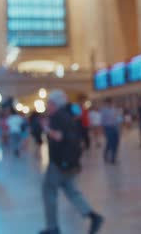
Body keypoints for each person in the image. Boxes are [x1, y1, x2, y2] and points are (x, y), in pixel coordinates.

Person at [40, 89, 104, 234]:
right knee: (71, 191)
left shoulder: (57, 117)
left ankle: (53, 228)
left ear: (54, 103)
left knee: (49, 191)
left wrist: (46, 128)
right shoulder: (69, 115)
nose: (47, 105)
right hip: (71, 161)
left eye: (49, 103)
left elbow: (58, 136)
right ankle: (93, 216)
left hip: (59, 162)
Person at [100, 98, 121, 164]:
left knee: (116, 142)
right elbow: (102, 121)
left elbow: (118, 118)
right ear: (106, 103)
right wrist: (103, 130)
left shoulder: (114, 109)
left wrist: (120, 128)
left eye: (111, 102)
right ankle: (111, 157)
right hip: (108, 128)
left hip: (115, 127)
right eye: (108, 103)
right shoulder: (104, 110)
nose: (110, 104)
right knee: (110, 143)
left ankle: (111, 156)